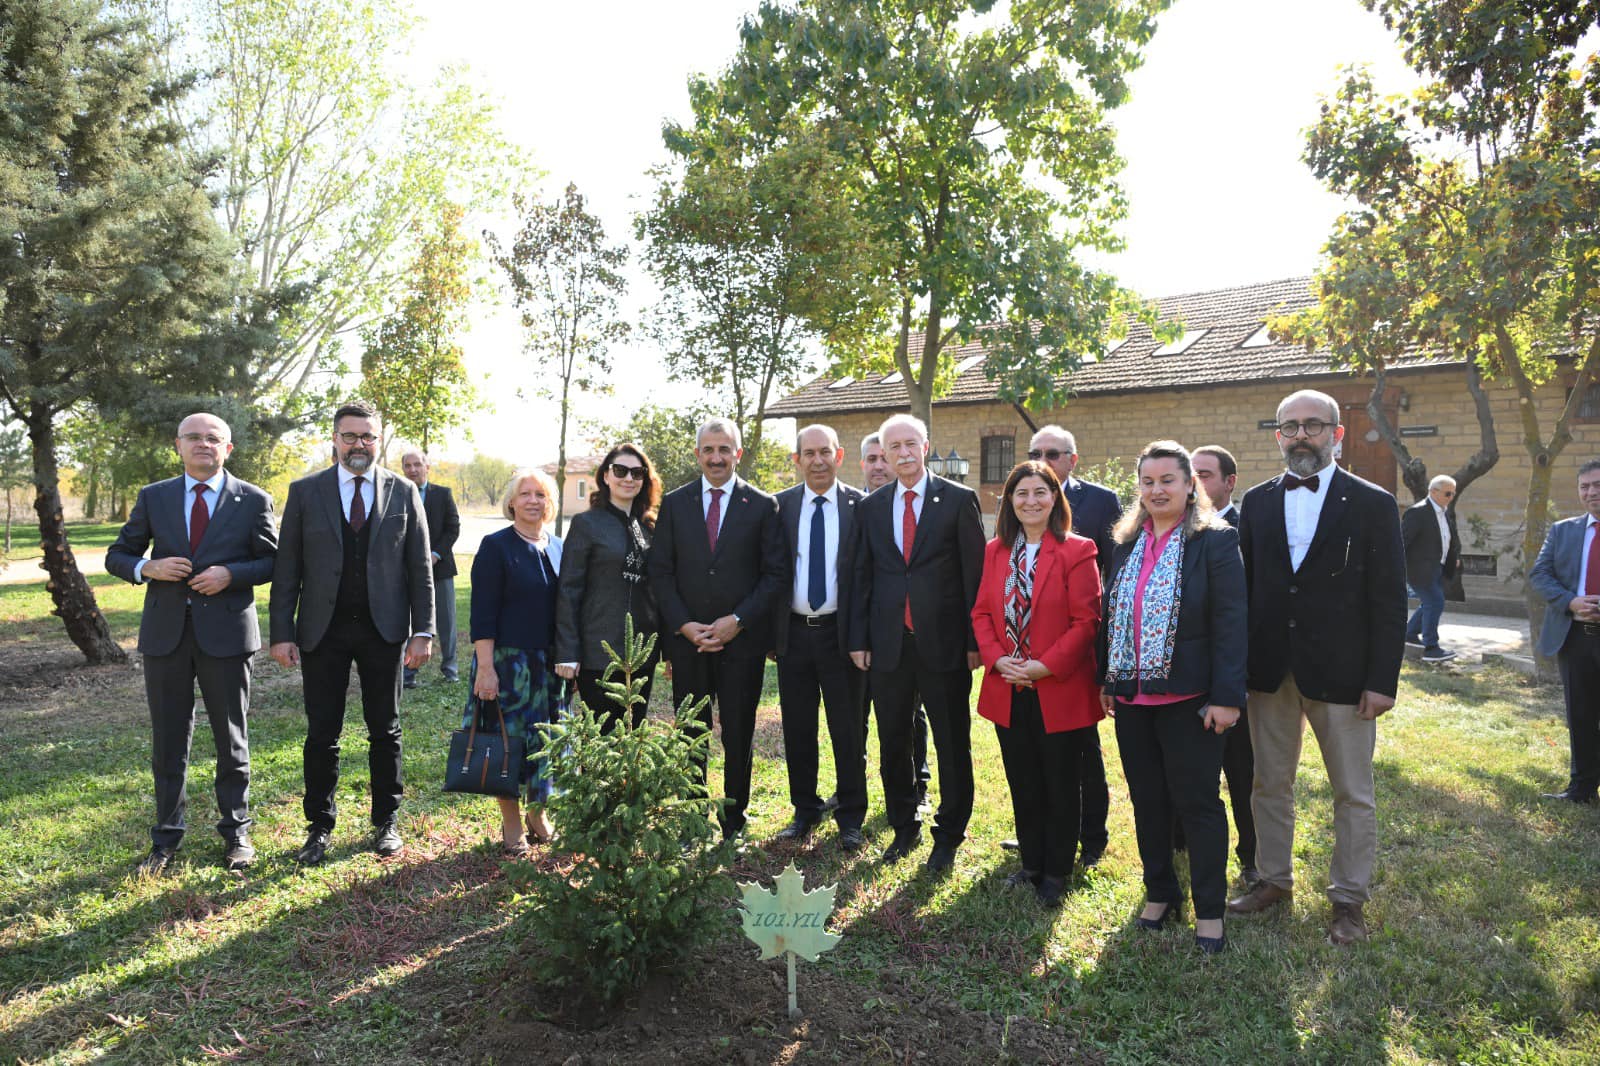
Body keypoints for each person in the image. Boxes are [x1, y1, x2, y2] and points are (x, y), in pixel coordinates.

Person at [1228, 389, 1406, 946]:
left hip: (1345, 677)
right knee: (1267, 784)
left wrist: (1382, 681)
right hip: (1270, 672)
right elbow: (1244, 592)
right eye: (1290, 427)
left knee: (1353, 792)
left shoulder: (1374, 503)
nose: (1301, 435)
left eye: (1313, 426)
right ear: (1278, 435)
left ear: (1337, 433)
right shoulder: (1255, 503)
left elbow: (1389, 601)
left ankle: (1348, 900)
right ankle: (1273, 880)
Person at [107, 413, 278, 874]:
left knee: (231, 738)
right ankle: (165, 837)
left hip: (227, 634)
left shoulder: (253, 499)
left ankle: (236, 833)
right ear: (178, 445)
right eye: (194, 438)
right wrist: (148, 568)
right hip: (166, 636)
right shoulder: (154, 496)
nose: (203, 444)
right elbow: (117, 555)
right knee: (168, 740)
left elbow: (274, 561)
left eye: (213, 438)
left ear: (228, 448)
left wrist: (231, 575)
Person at [269, 401, 435, 866]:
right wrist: (281, 632)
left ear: (378, 441)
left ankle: (386, 821)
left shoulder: (404, 492)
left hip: (384, 631)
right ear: (335, 440)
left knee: (386, 730)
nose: (359, 444)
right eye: (350, 436)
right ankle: (318, 827)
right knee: (323, 733)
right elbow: (288, 570)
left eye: (368, 437)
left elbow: (419, 568)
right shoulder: (305, 493)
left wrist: (422, 631)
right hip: (323, 631)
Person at [1100, 441, 1245, 953]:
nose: (1157, 489)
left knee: (1198, 804)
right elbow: (1113, 617)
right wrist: (1107, 680)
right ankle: (1161, 891)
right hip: (1133, 700)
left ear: (1190, 486)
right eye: (1147, 481)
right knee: (1148, 802)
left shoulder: (1216, 542)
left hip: (1191, 699)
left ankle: (1210, 910)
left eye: (1168, 480)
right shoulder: (1124, 543)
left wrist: (1228, 698)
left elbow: (1231, 624)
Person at [847, 413, 984, 871]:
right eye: (894, 447)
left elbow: (974, 578)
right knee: (893, 740)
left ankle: (949, 834)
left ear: (926, 447)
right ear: (883, 454)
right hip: (888, 644)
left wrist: (973, 641)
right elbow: (860, 577)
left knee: (951, 741)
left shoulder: (958, 500)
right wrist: (859, 639)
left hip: (945, 644)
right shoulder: (869, 507)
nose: (903, 453)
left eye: (911, 444)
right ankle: (904, 826)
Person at [972, 460, 1104, 906]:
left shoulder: (1078, 550)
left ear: (1055, 499)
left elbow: (1087, 622)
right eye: (1021, 493)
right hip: (1008, 684)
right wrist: (998, 660)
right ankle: (1030, 864)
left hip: (1057, 686)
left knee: (1061, 783)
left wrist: (1044, 666)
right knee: (1023, 780)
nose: (1030, 501)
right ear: (1010, 500)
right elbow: (982, 614)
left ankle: (1057, 872)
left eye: (1039, 493)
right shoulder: (995, 551)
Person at [649, 417, 786, 841]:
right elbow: (661, 573)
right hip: (689, 642)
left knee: (739, 731)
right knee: (691, 731)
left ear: (738, 454)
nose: (716, 457)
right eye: (708, 449)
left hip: (741, 643)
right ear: (698, 455)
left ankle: (733, 821)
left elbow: (774, 575)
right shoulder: (675, 503)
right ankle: (692, 818)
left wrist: (738, 622)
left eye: (724, 449)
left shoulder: (763, 506)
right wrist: (684, 626)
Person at [1024, 424, 1120, 868]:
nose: (1044, 458)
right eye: (1036, 451)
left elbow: (1113, 579)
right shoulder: (1022, 502)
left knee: (1083, 747)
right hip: (1032, 652)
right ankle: (1045, 831)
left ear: (1072, 459)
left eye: (1054, 453)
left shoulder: (1101, 502)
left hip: (1083, 646)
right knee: (1040, 750)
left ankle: (1092, 837)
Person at [772, 425, 868, 850]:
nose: (817, 460)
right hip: (793, 635)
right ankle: (804, 810)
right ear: (796, 459)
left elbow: (869, 580)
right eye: (808, 453)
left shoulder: (861, 508)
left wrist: (862, 637)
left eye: (824, 452)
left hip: (842, 636)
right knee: (798, 728)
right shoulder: (779, 507)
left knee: (847, 730)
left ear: (839, 455)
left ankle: (850, 817)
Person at [468, 468, 567, 853]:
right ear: (511, 501)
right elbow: (482, 616)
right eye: (525, 494)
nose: (532, 501)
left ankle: (538, 813)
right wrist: (486, 668)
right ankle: (513, 824)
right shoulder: (496, 547)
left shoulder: (559, 547)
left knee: (548, 745)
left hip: (551, 668)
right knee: (506, 746)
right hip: (507, 666)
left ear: (550, 503)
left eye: (540, 494)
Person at [554, 443, 662, 730]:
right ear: (605, 476)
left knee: (632, 733)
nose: (629, 478)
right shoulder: (586, 524)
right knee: (601, 737)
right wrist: (567, 651)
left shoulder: (650, 527)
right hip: (597, 650)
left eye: (637, 473)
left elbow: (660, 589)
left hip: (641, 652)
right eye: (620, 471)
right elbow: (568, 589)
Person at [1187, 444, 1256, 886]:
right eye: (1189, 474)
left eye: (1206, 475)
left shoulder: (1245, 528)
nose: (1197, 484)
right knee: (1189, 771)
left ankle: (1252, 859)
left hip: (1236, 676)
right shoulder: (1171, 530)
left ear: (1229, 482)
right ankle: (1180, 843)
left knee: (1243, 771)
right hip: (1188, 679)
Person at [852, 434, 930, 808]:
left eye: (885, 457)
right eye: (874, 458)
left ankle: (921, 781)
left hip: (913, 636)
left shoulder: (926, 502)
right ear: (862, 465)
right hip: (866, 635)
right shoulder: (859, 507)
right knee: (866, 717)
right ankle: (860, 788)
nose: (881, 465)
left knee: (910, 715)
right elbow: (858, 577)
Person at [1528, 459, 1600, 806]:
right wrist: (1571, 602)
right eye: (1585, 486)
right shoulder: (1563, 531)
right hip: (1576, 637)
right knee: (1581, 715)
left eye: (1598, 485)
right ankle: (1582, 789)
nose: (1591, 492)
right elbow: (1539, 575)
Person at [400, 448, 461, 687]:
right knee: (408, 621)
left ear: (427, 467)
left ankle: (450, 668)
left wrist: (436, 555)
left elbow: (452, 528)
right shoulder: (396, 494)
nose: (413, 470)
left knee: (446, 621)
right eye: (408, 466)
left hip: (440, 568)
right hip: (406, 571)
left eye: (417, 465)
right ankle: (408, 673)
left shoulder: (443, 494)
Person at [1402, 474, 1463, 664]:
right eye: (1447, 493)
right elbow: (1402, 542)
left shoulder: (1444, 512)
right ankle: (1430, 647)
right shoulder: (1417, 512)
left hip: (1438, 567)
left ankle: (1409, 634)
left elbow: (1445, 539)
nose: (1451, 497)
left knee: (1430, 602)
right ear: (1433, 491)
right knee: (1435, 602)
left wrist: (1453, 559)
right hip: (1419, 569)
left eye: (1453, 494)